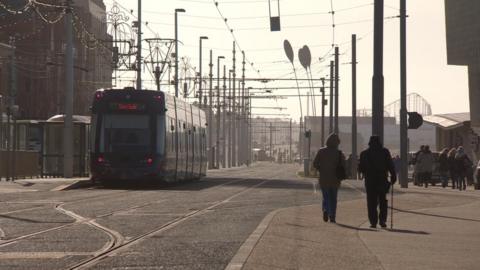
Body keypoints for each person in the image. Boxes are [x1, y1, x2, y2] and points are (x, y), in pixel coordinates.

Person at [358, 135, 396, 228]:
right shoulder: (385, 152)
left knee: (371, 201)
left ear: (369, 142)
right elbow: (390, 165)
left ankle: (373, 222)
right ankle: (382, 220)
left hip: (370, 180)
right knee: (382, 200)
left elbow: (360, 168)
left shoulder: (364, 154)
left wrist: (364, 172)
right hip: (382, 178)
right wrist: (393, 176)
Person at [313, 133, 345, 223]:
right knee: (333, 198)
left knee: (325, 195)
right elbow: (343, 165)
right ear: (337, 143)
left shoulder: (321, 151)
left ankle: (326, 209)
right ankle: (332, 216)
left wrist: (321, 169)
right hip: (335, 179)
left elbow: (315, 164)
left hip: (324, 178)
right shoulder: (339, 153)